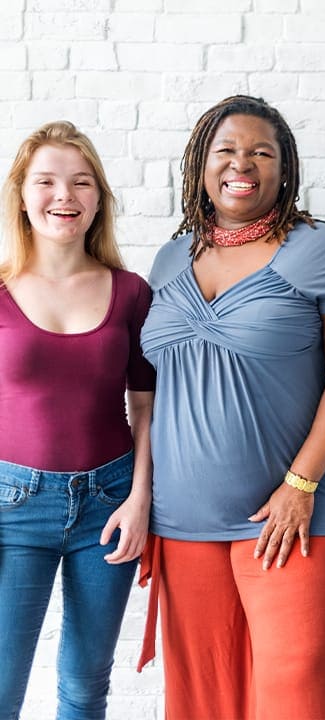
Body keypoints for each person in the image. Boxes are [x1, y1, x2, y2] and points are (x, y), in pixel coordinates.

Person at [138, 95, 325, 719]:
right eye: (227, 150)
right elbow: (152, 390)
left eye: (260, 152)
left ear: (283, 167)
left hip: (290, 513)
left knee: (292, 695)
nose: (242, 164)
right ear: (201, 165)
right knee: (202, 697)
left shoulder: (317, 250)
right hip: (183, 518)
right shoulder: (171, 258)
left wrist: (302, 483)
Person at [0, 121, 154, 720]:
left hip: (110, 504)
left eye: (80, 182)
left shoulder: (131, 291)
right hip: (13, 507)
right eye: (47, 181)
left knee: (86, 687)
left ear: (98, 198)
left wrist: (140, 497)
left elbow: (144, 405)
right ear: (21, 194)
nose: (64, 195)